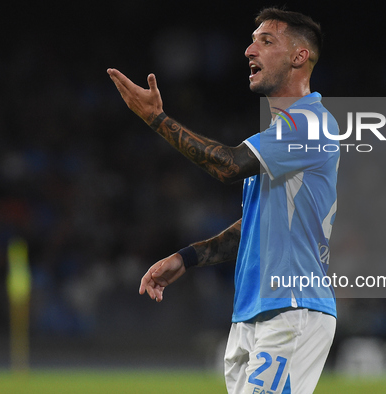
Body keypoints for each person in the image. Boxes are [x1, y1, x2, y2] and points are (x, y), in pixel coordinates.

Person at [108, 7, 339, 394]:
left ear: (300, 56)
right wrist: (187, 256)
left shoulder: (310, 122)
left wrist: (157, 119)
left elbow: (228, 166)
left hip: (292, 307)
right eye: (252, 41)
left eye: (266, 41)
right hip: (251, 314)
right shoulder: (279, 135)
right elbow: (252, 227)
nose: (250, 50)